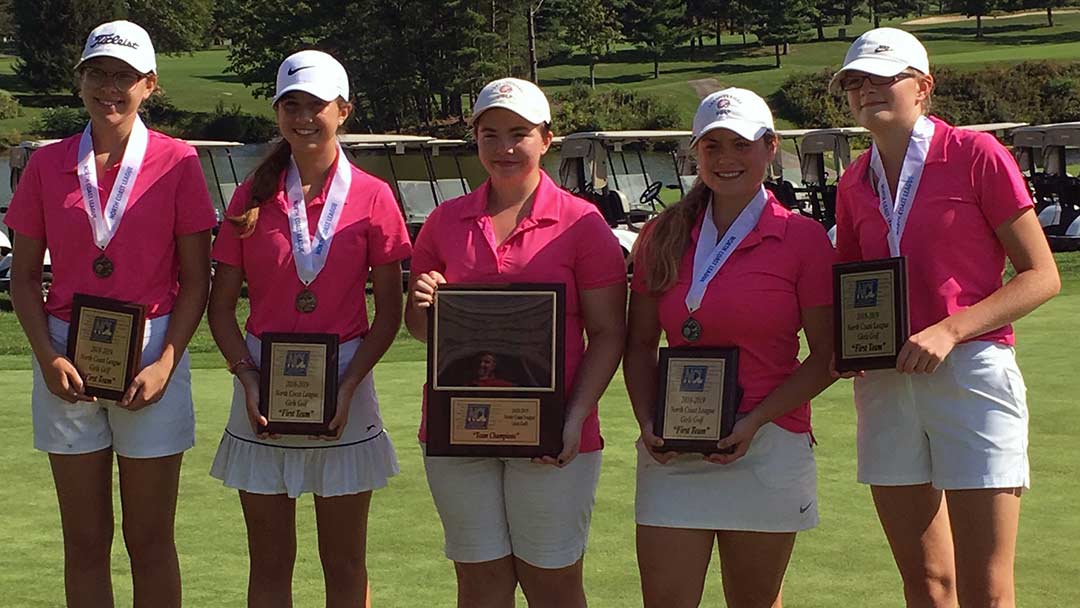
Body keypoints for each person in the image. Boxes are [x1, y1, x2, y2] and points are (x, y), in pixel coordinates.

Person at [830, 28, 1060, 608]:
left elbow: (1041, 275)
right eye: (855, 82)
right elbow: (854, 287)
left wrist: (952, 327)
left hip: (971, 370)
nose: (866, 90)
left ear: (923, 86)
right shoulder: (854, 181)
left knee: (987, 587)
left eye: (885, 77)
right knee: (927, 584)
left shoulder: (975, 154)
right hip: (884, 381)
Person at [4, 20, 215, 608]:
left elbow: (196, 278)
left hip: (151, 353)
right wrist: (45, 357)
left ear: (150, 85)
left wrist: (167, 364)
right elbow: (23, 277)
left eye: (125, 76)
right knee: (85, 542)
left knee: (150, 542)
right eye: (98, 72)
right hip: (64, 355)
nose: (110, 87)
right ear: (79, 81)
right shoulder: (47, 164)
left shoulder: (178, 162)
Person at [404, 77, 626, 608]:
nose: (505, 148)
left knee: (552, 584)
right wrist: (423, 303)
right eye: (491, 134)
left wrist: (574, 418)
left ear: (546, 139)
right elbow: (420, 329)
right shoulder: (444, 220)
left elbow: (609, 333)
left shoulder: (582, 222)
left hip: (552, 431)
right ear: (475, 138)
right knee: (480, 586)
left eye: (519, 133)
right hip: (457, 427)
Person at [206, 50, 410, 608]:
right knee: (269, 565)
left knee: (344, 564)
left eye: (316, 105)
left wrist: (347, 385)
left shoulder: (374, 196)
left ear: (343, 110)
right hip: (260, 388)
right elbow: (220, 308)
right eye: (290, 104)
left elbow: (388, 314)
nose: (303, 117)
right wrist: (247, 377)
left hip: (347, 385)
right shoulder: (249, 194)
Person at [623, 88, 836, 608]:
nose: (725, 159)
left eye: (741, 144)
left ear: (769, 148)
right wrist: (648, 422)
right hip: (674, 450)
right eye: (711, 146)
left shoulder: (802, 238)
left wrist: (755, 420)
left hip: (767, 441)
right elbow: (639, 344)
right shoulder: (662, 233)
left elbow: (828, 356)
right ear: (696, 154)